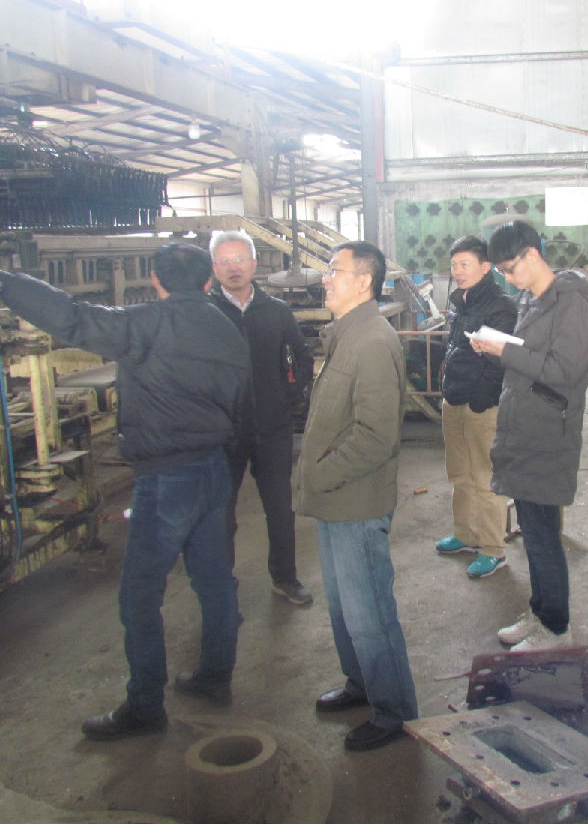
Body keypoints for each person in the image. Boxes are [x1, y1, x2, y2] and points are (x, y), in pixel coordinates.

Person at [0, 230, 249, 739]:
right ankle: (215, 678)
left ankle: (145, 708)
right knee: (215, 583)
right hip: (214, 469)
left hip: (165, 477)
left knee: (139, 596)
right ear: (207, 280)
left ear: (155, 280)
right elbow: (241, 399)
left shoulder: (145, 323)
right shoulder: (226, 326)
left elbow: (73, 317)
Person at [293, 240, 418, 752]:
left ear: (363, 281)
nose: (325, 278)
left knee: (369, 614)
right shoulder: (346, 334)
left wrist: (318, 475)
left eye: (334, 270)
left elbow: (375, 435)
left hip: (356, 501)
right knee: (345, 608)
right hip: (335, 499)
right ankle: (361, 684)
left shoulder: (371, 341)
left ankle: (394, 712)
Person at [470, 217, 588, 652]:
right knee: (532, 529)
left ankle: (556, 629)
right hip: (523, 425)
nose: (508, 278)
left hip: (548, 432)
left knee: (542, 537)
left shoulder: (570, 301)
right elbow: (532, 355)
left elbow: (565, 371)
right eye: (502, 271)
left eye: (510, 268)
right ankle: (540, 612)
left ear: (533, 254)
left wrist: (505, 350)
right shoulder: (530, 299)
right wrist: (495, 346)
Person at [209, 230, 315, 606]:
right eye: (225, 261)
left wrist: (285, 398)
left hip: (272, 428)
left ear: (254, 264)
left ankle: (285, 577)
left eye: (240, 259)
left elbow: (302, 358)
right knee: (219, 513)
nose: (233, 268)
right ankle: (221, 589)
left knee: (279, 508)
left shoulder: (277, 311)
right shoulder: (205, 314)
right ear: (214, 268)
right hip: (223, 434)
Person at [435, 235, 518, 579]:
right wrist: (448, 388)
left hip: (482, 405)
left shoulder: (502, 306)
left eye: (464, 264)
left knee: (484, 477)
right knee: (459, 472)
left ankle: (493, 549)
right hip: (455, 398)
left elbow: (501, 361)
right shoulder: (460, 302)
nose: (457, 271)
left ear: (485, 267)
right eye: (454, 264)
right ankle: (466, 534)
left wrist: (483, 398)